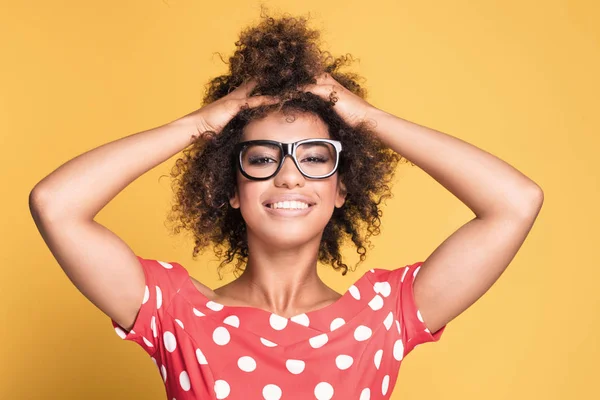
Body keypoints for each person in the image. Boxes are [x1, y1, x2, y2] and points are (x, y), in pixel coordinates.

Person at [29, 11, 543, 400]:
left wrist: (364, 117)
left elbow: (516, 201)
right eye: (261, 158)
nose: (290, 174)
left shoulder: (387, 314)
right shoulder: (175, 313)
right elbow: (55, 203)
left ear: (343, 187)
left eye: (316, 157)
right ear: (230, 187)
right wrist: (204, 122)